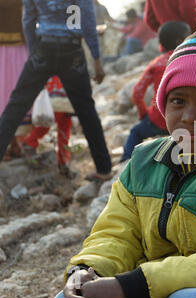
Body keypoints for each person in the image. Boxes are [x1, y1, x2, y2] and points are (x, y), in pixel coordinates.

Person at [56, 28, 196, 298]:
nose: (190, 117)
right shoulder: (143, 159)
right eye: (178, 101)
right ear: (163, 103)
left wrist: (131, 285)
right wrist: (86, 269)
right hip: (145, 286)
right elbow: (115, 233)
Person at [0, 0, 113, 181]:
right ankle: (104, 169)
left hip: (44, 47)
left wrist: (33, 55)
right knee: (86, 110)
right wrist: (96, 59)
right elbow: (88, 21)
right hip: (72, 50)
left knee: (15, 107)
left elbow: (28, 20)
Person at [120, 21, 191, 162]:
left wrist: (144, 114)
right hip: (186, 122)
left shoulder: (156, 64)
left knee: (136, 132)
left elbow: (137, 93)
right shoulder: (191, 61)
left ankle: (125, 163)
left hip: (158, 120)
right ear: (180, 41)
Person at [23, 76, 75, 178]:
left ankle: (64, 162)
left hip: (64, 91)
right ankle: (30, 143)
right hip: (57, 90)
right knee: (48, 122)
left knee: (64, 129)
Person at [0, 0, 31, 161]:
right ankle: (9, 144)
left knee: (14, 94)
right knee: (7, 95)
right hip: (11, 48)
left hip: (19, 46)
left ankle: (14, 142)